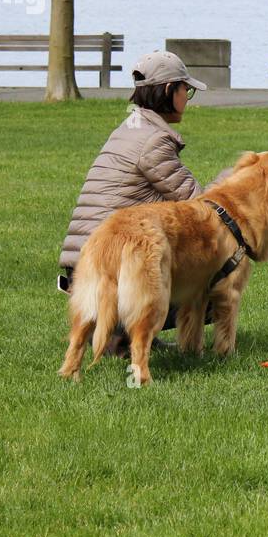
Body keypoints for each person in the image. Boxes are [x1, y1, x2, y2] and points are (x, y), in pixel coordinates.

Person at [58, 51, 212, 355]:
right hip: (109, 272)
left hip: (82, 270)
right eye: (187, 90)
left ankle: (122, 337)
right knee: (216, 269)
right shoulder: (152, 141)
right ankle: (131, 332)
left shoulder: (130, 129)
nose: (188, 98)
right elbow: (202, 206)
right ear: (170, 91)